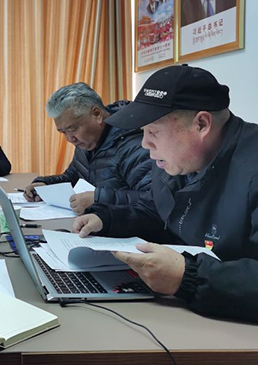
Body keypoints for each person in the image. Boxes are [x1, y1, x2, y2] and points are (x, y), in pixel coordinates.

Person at [74, 65, 258, 323]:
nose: (144, 144)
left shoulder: (251, 168)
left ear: (201, 124)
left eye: (154, 132)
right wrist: (108, 219)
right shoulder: (178, 160)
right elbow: (161, 212)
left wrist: (188, 277)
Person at [24, 83, 152, 215]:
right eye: (63, 132)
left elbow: (151, 200)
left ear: (97, 114)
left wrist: (98, 198)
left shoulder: (134, 146)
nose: (70, 139)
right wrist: (46, 185)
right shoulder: (87, 142)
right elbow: (73, 178)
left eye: (72, 129)